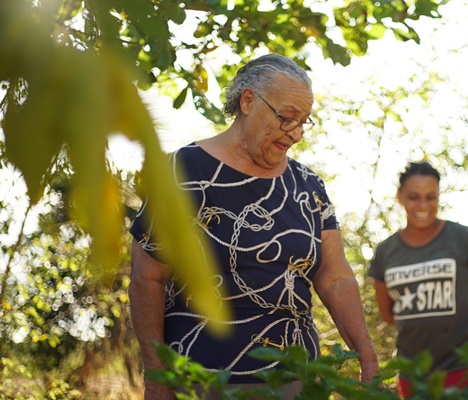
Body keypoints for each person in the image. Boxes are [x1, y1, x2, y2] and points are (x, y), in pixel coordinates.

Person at [128, 54, 378, 400]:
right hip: (203, 378)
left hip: (294, 380)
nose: (296, 134)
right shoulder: (184, 171)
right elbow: (147, 277)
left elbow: (334, 275)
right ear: (248, 101)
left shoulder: (308, 186)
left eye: (305, 122)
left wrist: (366, 355)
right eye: (287, 118)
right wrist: (157, 378)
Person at [368, 162, 468, 399]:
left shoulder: (465, 239)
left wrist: (466, 317)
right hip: (414, 372)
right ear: (399, 197)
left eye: (431, 197)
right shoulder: (386, 251)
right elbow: (388, 314)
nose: (423, 205)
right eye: (414, 197)